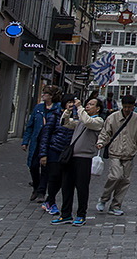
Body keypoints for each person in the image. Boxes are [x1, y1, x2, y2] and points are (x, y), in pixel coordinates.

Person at [51, 95, 105, 225]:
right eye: (87, 104)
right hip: (72, 157)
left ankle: (81, 214)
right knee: (67, 186)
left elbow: (87, 122)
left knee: (81, 187)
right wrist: (68, 110)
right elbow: (65, 123)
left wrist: (79, 107)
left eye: (91, 104)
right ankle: (66, 214)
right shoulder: (81, 119)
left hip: (84, 158)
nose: (87, 106)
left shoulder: (98, 121)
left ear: (98, 108)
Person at [96, 94, 137, 216]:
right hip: (115, 152)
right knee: (115, 176)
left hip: (129, 153)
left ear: (133, 106)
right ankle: (104, 198)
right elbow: (106, 133)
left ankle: (116, 205)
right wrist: (101, 143)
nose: (126, 109)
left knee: (125, 181)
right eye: (125, 107)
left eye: (129, 107)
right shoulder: (113, 117)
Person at [38, 94, 77, 214]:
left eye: (73, 102)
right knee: (54, 176)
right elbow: (46, 135)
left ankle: (49, 200)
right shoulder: (55, 116)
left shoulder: (75, 118)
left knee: (61, 178)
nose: (71, 105)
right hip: (54, 150)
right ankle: (51, 201)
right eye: (69, 102)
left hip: (67, 152)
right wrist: (43, 154)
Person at [21, 85, 62, 200]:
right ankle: (36, 185)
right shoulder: (38, 108)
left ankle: (41, 192)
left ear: (51, 96)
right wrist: (25, 141)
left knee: (45, 167)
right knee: (33, 166)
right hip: (37, 140)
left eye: (45, 93)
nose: (43, 95)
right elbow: (30, 125)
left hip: (49, 142)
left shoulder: (58, 108)